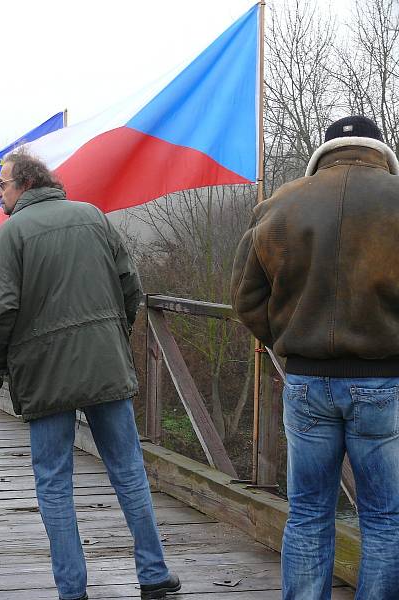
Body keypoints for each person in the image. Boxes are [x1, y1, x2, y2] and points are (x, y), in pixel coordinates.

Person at [0, 150, 180, 600]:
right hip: (104, 363)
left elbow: (0, 311)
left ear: (26, 184)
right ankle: (154, 575)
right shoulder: (93, 217)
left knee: (53, 481)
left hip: (45, 373)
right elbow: (132, 288)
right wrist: (112, 335)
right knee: (128, 470)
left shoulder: (10, 237)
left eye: (3, 183)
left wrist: (7, 362)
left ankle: (72, 590)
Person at [231, 115, 399, 600]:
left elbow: (246, 300)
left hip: (305, 380)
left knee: (307, 513)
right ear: (380, 152)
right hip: (383, 381)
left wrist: (286, 338)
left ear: (322, 153)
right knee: (385, 518)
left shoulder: (279, 205)